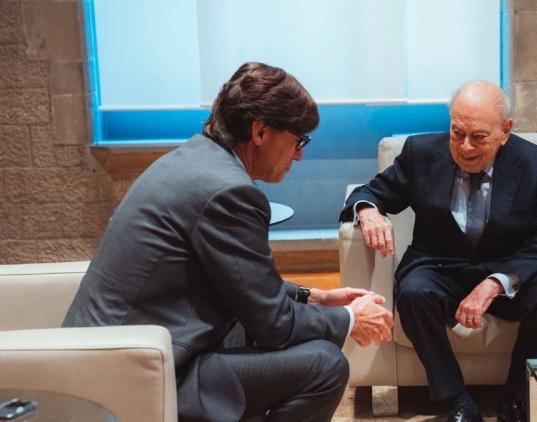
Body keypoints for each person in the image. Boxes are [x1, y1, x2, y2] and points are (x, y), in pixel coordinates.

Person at [63, 62, 393, 422]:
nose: (299, 155)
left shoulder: (195, 159)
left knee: (253, 328)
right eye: (298, 140)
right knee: (324, 366)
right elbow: (275, 326)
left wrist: (316, 297)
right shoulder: (229, 191)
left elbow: (241, 285)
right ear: (261, 132)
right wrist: (347, 319)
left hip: (118, 354)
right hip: (138, 374)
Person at [340, 81, 537, 422]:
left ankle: (517, 398)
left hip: (510, 269)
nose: (465, 147)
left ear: (505, 131)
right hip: (441, 266)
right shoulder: (420, 153)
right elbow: (370, 192)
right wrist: (368, 211)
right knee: (413, 291)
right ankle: (457, 401)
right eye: (457, 133)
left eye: (478, 137)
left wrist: (495, 283)